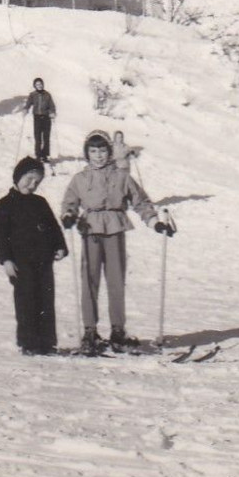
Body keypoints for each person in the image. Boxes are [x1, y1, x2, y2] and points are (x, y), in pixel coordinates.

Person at [61, 130, 171, 355]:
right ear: (87, 153)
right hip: (90, 228)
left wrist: (154, 222)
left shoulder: (122, 176)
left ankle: (117, 331)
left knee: (116, 280)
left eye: (102, 151)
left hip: (115, 227)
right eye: (93, 151)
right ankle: (90, 331)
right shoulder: (80, 179)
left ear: (109, 152)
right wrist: (68, 215)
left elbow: (140, 201)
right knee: (89, 280)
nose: (98, 156)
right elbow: (69, 201)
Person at [0, 157, 69, 356]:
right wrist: (6, 260)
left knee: (45, 300)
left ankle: (46, 342)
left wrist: (60, 246)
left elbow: (53, 227)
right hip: (21, 263)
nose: (32, 184)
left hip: (44, 261)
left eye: (37, 182)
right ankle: (28, 342)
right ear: (18, 176)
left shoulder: (40, 202)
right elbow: (0, 236)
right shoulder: (4, 205)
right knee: (26, 300)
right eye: (29, 179)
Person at [24, 78, 57, 164]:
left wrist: (52, 112)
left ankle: (45, 155)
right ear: (35, 86)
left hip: (46, 118)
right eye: (37, 84)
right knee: (38, 137)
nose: (39, 86)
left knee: (46, 137)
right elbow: (28, 103)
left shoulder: (47, 95)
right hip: (37, 118)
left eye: (41, 84)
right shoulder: (32, 95)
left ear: (43, 84)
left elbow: (52, 106)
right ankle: (38, 156)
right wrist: (26, 109)